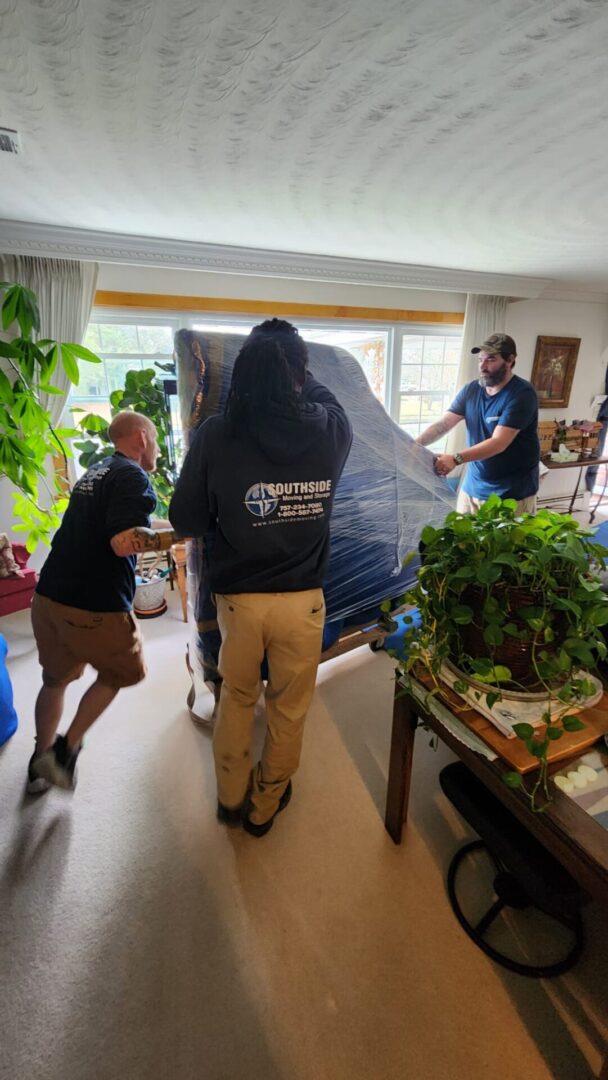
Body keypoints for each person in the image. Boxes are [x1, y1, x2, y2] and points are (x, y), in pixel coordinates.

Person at [169, 318, 353, 837]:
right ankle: (265, 805)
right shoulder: (332, 427)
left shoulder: (216, 434)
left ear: (243, 373)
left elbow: (186, 521)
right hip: (304, 604)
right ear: (299, 374)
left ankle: (230, 798)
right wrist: (289, 366)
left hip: (240, 603)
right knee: (289, 709)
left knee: (238, 697)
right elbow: (322, 389)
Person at [28, 410, 177, 793]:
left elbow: (119, 524)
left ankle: (38, 760)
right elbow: (123, 541)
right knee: (122, 672)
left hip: (50, 596)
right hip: (93, 604)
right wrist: (174, 540)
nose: (158, 449)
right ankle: (63, 753)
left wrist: (181, 529)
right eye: (156, 440)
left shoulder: (99, 470)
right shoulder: (134, 476)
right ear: (142, 437)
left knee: (55, 679)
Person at [416, 333, 539, 514]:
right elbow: (443, 424)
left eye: (490, 359)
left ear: (510, 360)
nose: (482, 366)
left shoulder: (522, 394)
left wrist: (455, 459)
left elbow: (499, 443)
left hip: (511, 493)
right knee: (462, 541)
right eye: (480, 359)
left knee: (503, 543)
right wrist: (414, 445)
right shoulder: (471, 390)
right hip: (473, 487)